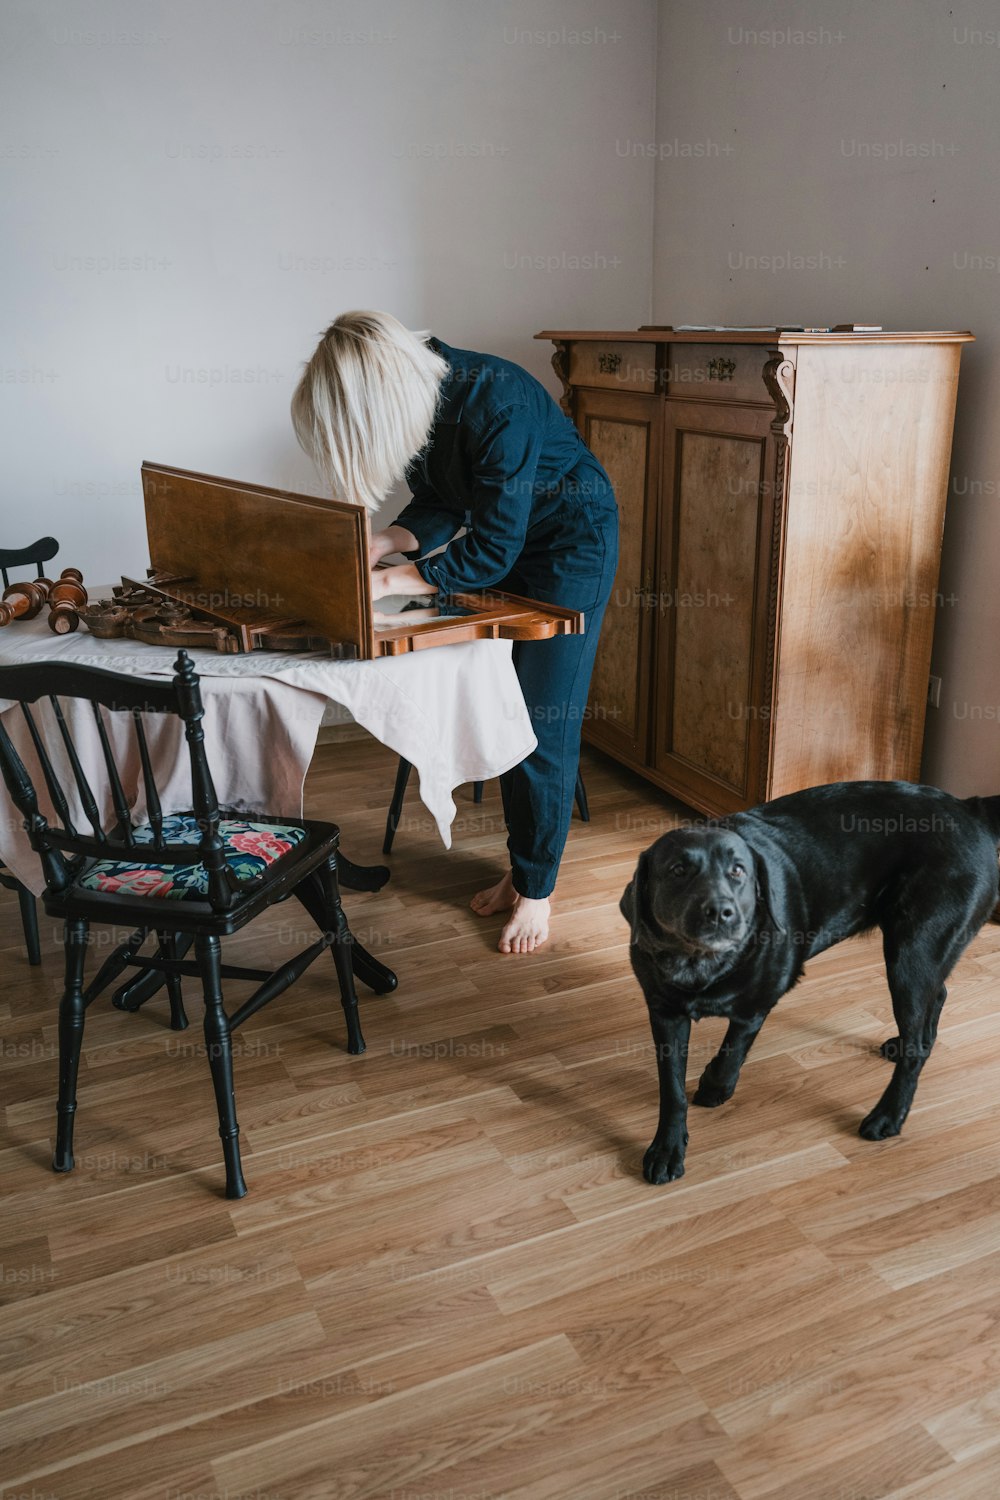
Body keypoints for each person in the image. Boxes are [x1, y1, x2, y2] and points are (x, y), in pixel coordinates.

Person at [291, 310, 618, 954]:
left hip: (569, 545)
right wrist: (382, 543)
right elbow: (442, 504)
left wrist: (384, 582)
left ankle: (537, 888)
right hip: (510, 540)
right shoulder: (419, 399)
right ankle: (518, 868)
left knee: (542, 719)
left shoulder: (501, 398)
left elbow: (491, 551)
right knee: (494, 697)